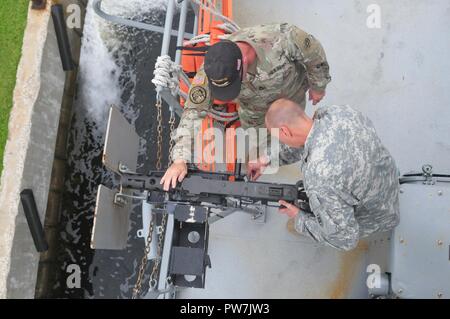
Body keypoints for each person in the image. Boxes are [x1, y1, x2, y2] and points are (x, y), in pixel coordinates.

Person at [161, 23, 331, 191]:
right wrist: (179, 159)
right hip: (254, 114)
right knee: (262, 143)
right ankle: (268, 158)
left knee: (297, 136)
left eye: (234, 84)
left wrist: (318, 86)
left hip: (291, 101)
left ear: (243, 61)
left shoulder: (284, 39)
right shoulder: (213, 69)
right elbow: (193, 111)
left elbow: (315, 57)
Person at [259, 98, 400, 251]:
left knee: (317, 212)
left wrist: (299, 217)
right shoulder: (336, 112)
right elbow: (311, 140)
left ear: (285, 131)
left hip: (378, 215)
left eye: (279, 137)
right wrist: (268, 158)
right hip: (387, 177)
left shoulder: (319, 177)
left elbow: (344, 239)